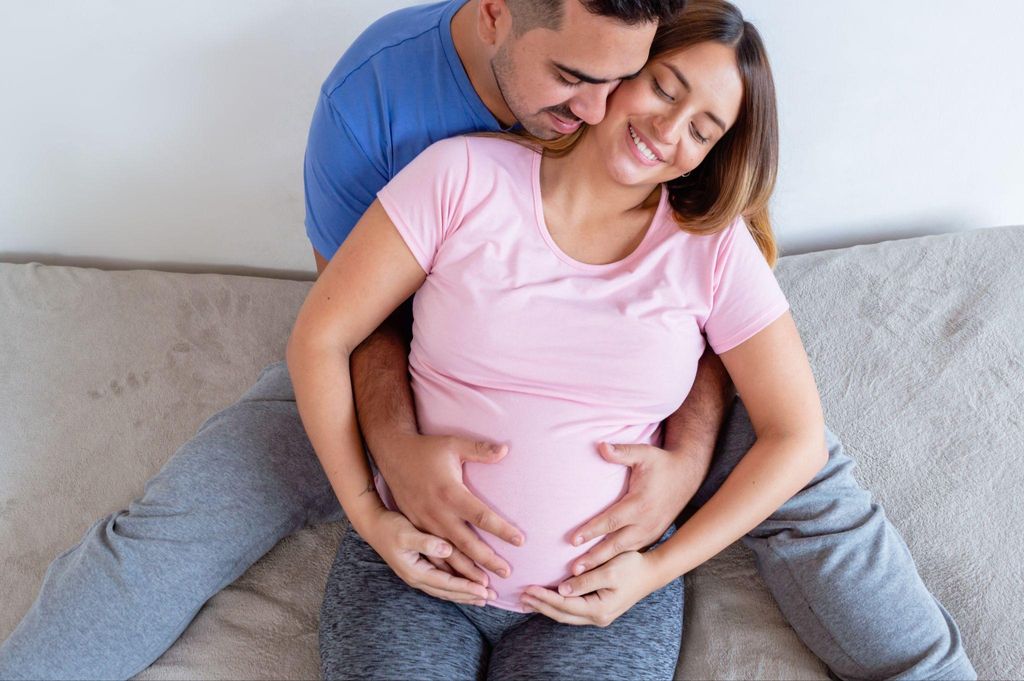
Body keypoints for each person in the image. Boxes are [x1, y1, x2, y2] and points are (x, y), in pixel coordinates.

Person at [0, 1, 975, 679]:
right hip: (423, 400)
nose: (609, 103)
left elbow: (783, 420)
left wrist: (673, 498)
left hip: (604, 559)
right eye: (599, 79)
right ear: (504, 19)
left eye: (702, 123)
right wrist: (382, 488)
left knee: (816, 496)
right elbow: (341, 331)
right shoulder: (413, 130)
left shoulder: (703, 239)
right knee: (175, 528)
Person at [294, 3, 828, 677]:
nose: (668, 129)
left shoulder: (714, 250)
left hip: (596, 610)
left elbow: (798, 437)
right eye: (665, 87)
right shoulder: (459, 175)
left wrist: (658, 566)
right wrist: (369, 514)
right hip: (419, 579)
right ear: (623, 70)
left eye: (703, 128)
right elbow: (321, 335)